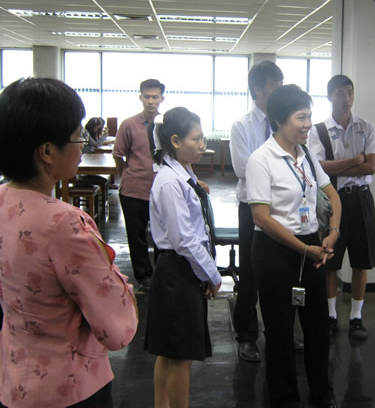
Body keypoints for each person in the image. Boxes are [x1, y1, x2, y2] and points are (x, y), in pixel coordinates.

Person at [0, 78, 138, 407]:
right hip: (70, 386)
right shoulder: (64, 223)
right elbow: (117, 329)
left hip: (14, 379)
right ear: (47, 151)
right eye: (78, 136)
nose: (82, 145)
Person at [246, 84, 341, 407]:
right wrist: (304, 249)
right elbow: (261, 217)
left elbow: (333, 196)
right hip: (275, 252)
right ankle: (284, 399)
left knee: (318, 329)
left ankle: (322, 395)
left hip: (312, 246)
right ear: (279, 120)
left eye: (309, 116)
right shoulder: (261, 159)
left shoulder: (308, 155)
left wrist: (333, 232)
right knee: (280, 332)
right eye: (301, 117)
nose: (308, 124)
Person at [145, 107, 221, 408]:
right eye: (196, 139)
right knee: (180, 358)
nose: (202, 145)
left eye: (203, 139)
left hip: (180, 269)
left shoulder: (182, 172)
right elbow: (184, 240)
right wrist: (212, 274)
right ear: (175, 141)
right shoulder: (169, 181)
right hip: (178, 271)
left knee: (170, 352)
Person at [308, 75, 375, 340]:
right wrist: (355, 159)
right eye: (340, 93)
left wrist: (341, 165)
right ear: (330, 96)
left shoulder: (367, 127)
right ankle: (330, 315)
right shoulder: (318, 130)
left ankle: (356, 317)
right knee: (331, 260)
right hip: (333, 200)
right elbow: (318, 167)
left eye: (350, 92)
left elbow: (371, 167)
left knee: (361, 261)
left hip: (361, 199)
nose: (346, 98)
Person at [230, 61, 283, 362]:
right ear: (257, 90)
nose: (279, 92)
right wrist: (279, 173)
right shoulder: (242, 125)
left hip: (282, 207)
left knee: (281, 272)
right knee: (251, 272)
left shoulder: (284, 123)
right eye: (275, 87)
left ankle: (279, 332)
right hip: (251, 207)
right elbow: (242, 168)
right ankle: (247, 335)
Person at [113, 79, 165, 293]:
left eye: (155, 97)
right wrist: (127, 174)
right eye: (147, 96)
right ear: (140, 97)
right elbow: (118, 154)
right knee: (137, 237)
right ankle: (144, 276)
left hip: (162, 190)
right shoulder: (129, 125)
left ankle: (162, 273)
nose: (151, 101)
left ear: (162, 98)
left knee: (164, 235)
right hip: (134, 191)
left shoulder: (166, 124)